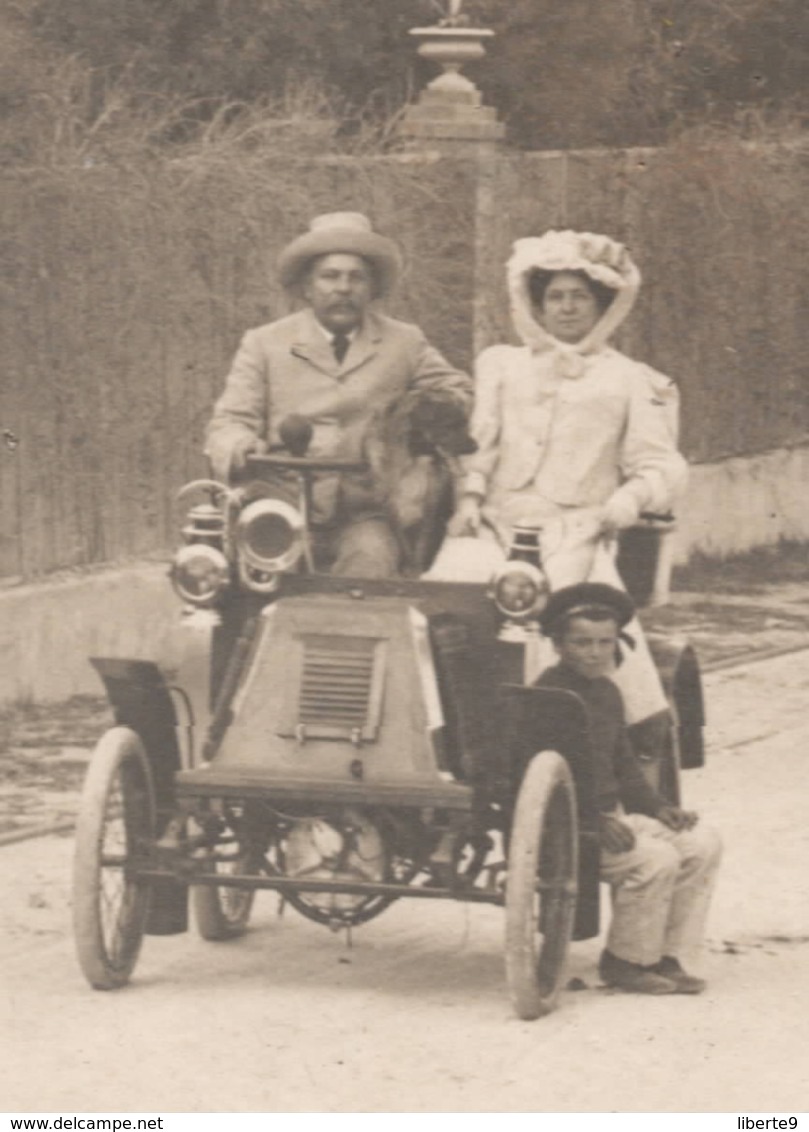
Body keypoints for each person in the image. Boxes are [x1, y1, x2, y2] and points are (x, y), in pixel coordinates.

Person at [431, 228, 688, 727]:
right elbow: (481, 445)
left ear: (603, 305)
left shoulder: (632, 379)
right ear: (536, 304)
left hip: (578, 529)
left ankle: (573, 730)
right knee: (450, 591)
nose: (566, 308)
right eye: (555, 297)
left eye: (579, 297)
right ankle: (453, 723)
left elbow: (661, 464)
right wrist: (469, 499)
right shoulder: (503, 366)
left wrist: (626, 501)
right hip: (495, 523)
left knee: (565, 615)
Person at [205, 212, 472, 578]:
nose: (343, 288)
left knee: (372, 566)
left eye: (356, 277)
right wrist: (240, 445)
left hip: (365, 506)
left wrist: (421, 415)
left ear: (372, 288)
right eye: (330, 276)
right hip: (280, 498)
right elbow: (230, 421)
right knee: (262, 577)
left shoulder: (404, 342)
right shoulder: (265, 343)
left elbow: (456, 392)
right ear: (307, 287)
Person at [536, 583, 722, 995]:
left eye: (605, 642)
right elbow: (535, 785)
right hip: (572, 827)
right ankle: (625, 962)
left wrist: (658, 808)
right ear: (557, 644)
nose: (595, 652)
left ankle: (664, 955)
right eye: (581, 642)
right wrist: (592, 822)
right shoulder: (547, 698)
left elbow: (623, 768)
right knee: (654, 859)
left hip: (612, 819)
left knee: (701, 843)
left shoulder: (607, 692)